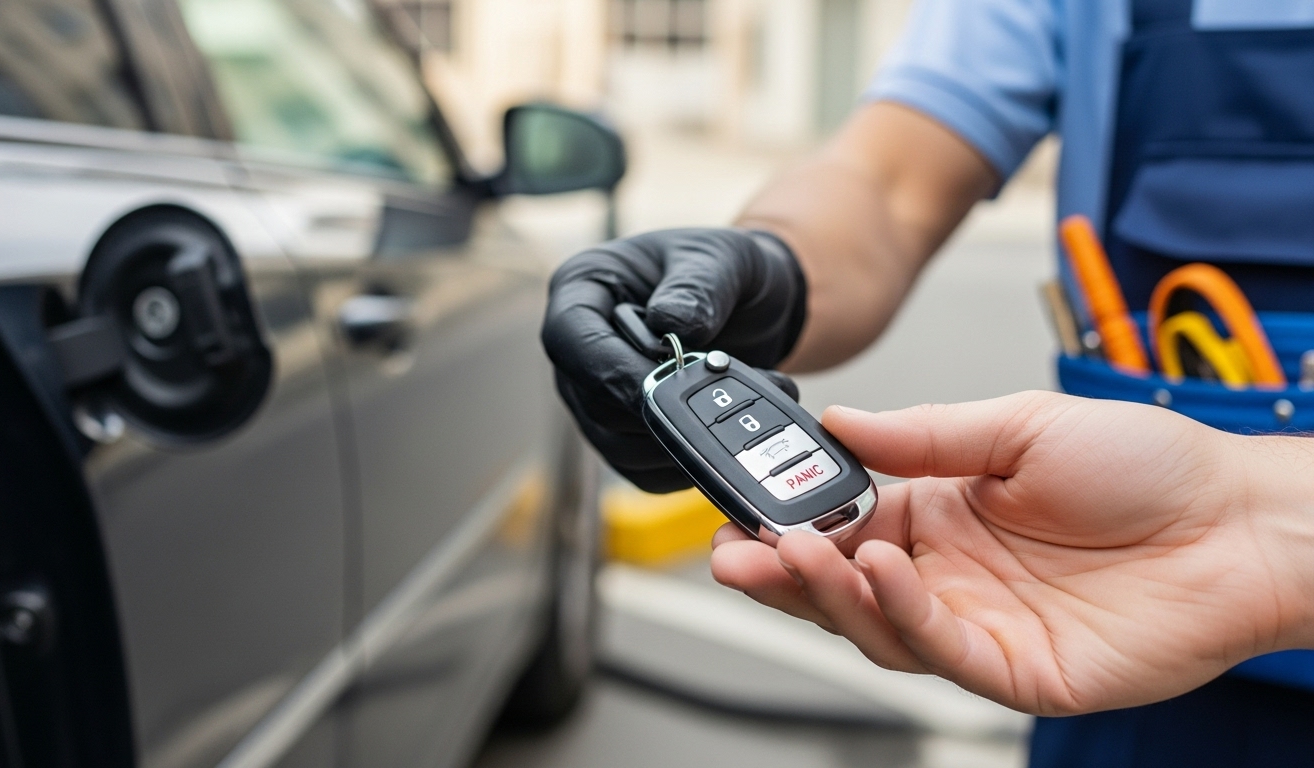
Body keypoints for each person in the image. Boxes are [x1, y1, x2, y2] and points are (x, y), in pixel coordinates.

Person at [541, 0, 1314, 764]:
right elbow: (887, 180)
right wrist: (775, 263)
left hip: (1127, 597)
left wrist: (1255, 521)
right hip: (1121, 634)